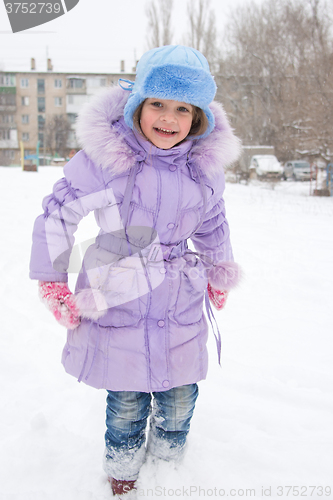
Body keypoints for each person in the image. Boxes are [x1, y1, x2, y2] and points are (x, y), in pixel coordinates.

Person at [30, 45, 241, 498]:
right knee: (126, 401)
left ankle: (169, 469)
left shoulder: (203, 171)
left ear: (198, 116)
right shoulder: (109, 160)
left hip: (180, 297)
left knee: (180, 396)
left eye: (182, 108)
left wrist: (219, 268)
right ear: (136, 107)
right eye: (157, 104)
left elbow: (213, 220)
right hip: (118, 291)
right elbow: (58, 214)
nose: (168, 117)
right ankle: (123, 471)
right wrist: (52, 282)